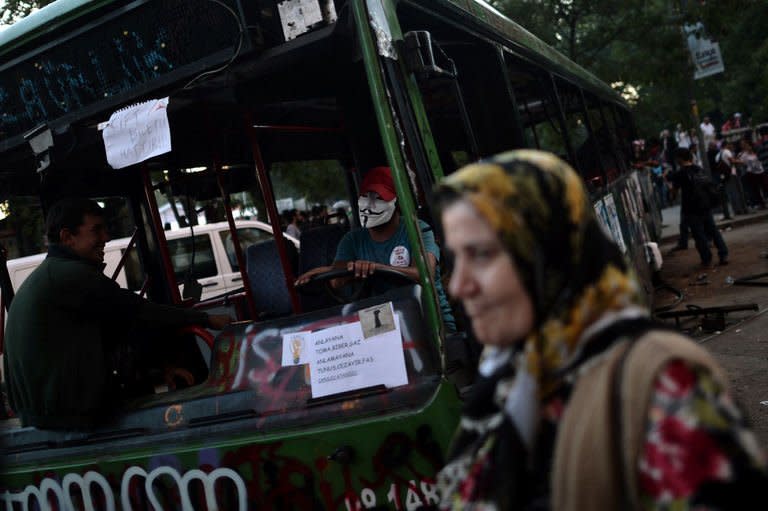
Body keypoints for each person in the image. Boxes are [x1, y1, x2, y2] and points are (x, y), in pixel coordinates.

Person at [433, 150, 766, 510]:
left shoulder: (664, 386)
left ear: (549, 254)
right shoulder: (510, 376)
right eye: (457, 258)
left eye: (481, 255)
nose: (459, 285)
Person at [3, 198, 232, 430]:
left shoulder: (52, 274)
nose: (106, 238)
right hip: (68, 415)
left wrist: (162, 367)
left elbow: (116, 326)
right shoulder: (69, 274)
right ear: (67, 237)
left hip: (46, 413)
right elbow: (137, 310)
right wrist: (205, 318)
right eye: (96, 230)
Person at [296, 166, 456, 331]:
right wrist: (321, 272)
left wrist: (376, 268)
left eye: (378, 198)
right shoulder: (352, 240)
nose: (369, 206)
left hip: (430, 322)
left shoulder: (417, 230)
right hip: (381, 326)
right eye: (365, 197)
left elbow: (424, 274)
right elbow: (337, 279)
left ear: (396, 201)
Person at [667, 147, 729, 267]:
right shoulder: (699, 169)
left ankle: (706, 259)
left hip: (691, 208)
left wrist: (670, 187)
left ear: (679, 158)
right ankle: (723, 254)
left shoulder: (680, 174)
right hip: (705, 205)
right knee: (713, 231)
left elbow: (673, 194)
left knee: (699, 235)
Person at [738, 138, 768, 209]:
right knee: (756, 189)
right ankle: (761, 203)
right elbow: (741, 163)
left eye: (745, 144)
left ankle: (764, 200)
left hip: (760, 171)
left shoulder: (755, 151)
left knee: (765, 187)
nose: (745, 145)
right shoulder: (742, 154)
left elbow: (759, 159)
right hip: (751, 173)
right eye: (742, 144)